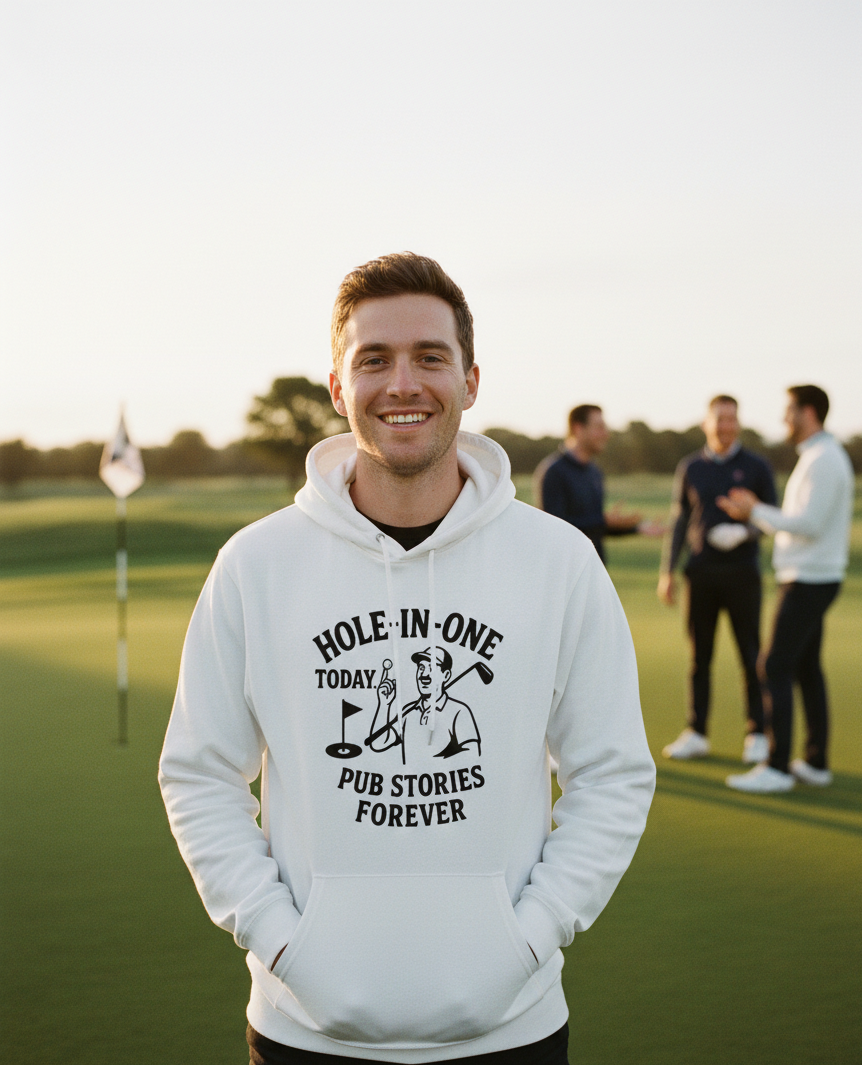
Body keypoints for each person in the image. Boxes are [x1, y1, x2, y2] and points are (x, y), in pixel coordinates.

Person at [158, 252, 655, 1063]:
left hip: (511, 1029)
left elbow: (612, 774)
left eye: (430, 356)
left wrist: (527, 939)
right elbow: (199, 773)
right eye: (374, 359)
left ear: (470, 380)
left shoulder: (558, 561)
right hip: (302, 1030)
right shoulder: (256, 563)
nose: (403, 383)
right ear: (336, 386)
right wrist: (285, 943)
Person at [721, 385, 854, 794]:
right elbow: (799, 520)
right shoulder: (817, 456)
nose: (784, 418)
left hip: (809, 578)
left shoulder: (824, 459)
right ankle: (814, 762)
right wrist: (755, 511)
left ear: (808, 412)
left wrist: (754, 510)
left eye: (789, 410)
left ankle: (777, 767)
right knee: (805, 667)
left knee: (773, 665)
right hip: (810, 576)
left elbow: (809, 525)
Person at [658, 395, 778, 763]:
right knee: (700, 657)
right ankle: (697, 732)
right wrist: (668, 571)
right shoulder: (691, 466)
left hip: (742, 574)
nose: (726, 426)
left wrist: (746, 533)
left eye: (732, 419)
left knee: (750, 655)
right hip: (701, 574)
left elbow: (772, 517)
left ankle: (757, 733)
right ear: (707, 423)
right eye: (719, 419)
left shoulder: (756, 466)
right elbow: (680, 519)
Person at [534, 404, 660, 564]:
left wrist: (636, 528)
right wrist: (603, 520)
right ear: (578, 428)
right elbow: (555, 528)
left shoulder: (595, 472)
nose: (606, 434)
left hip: (595, 569)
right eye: (599, 427)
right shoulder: (554, 472)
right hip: (566, 573)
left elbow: (594, 528)